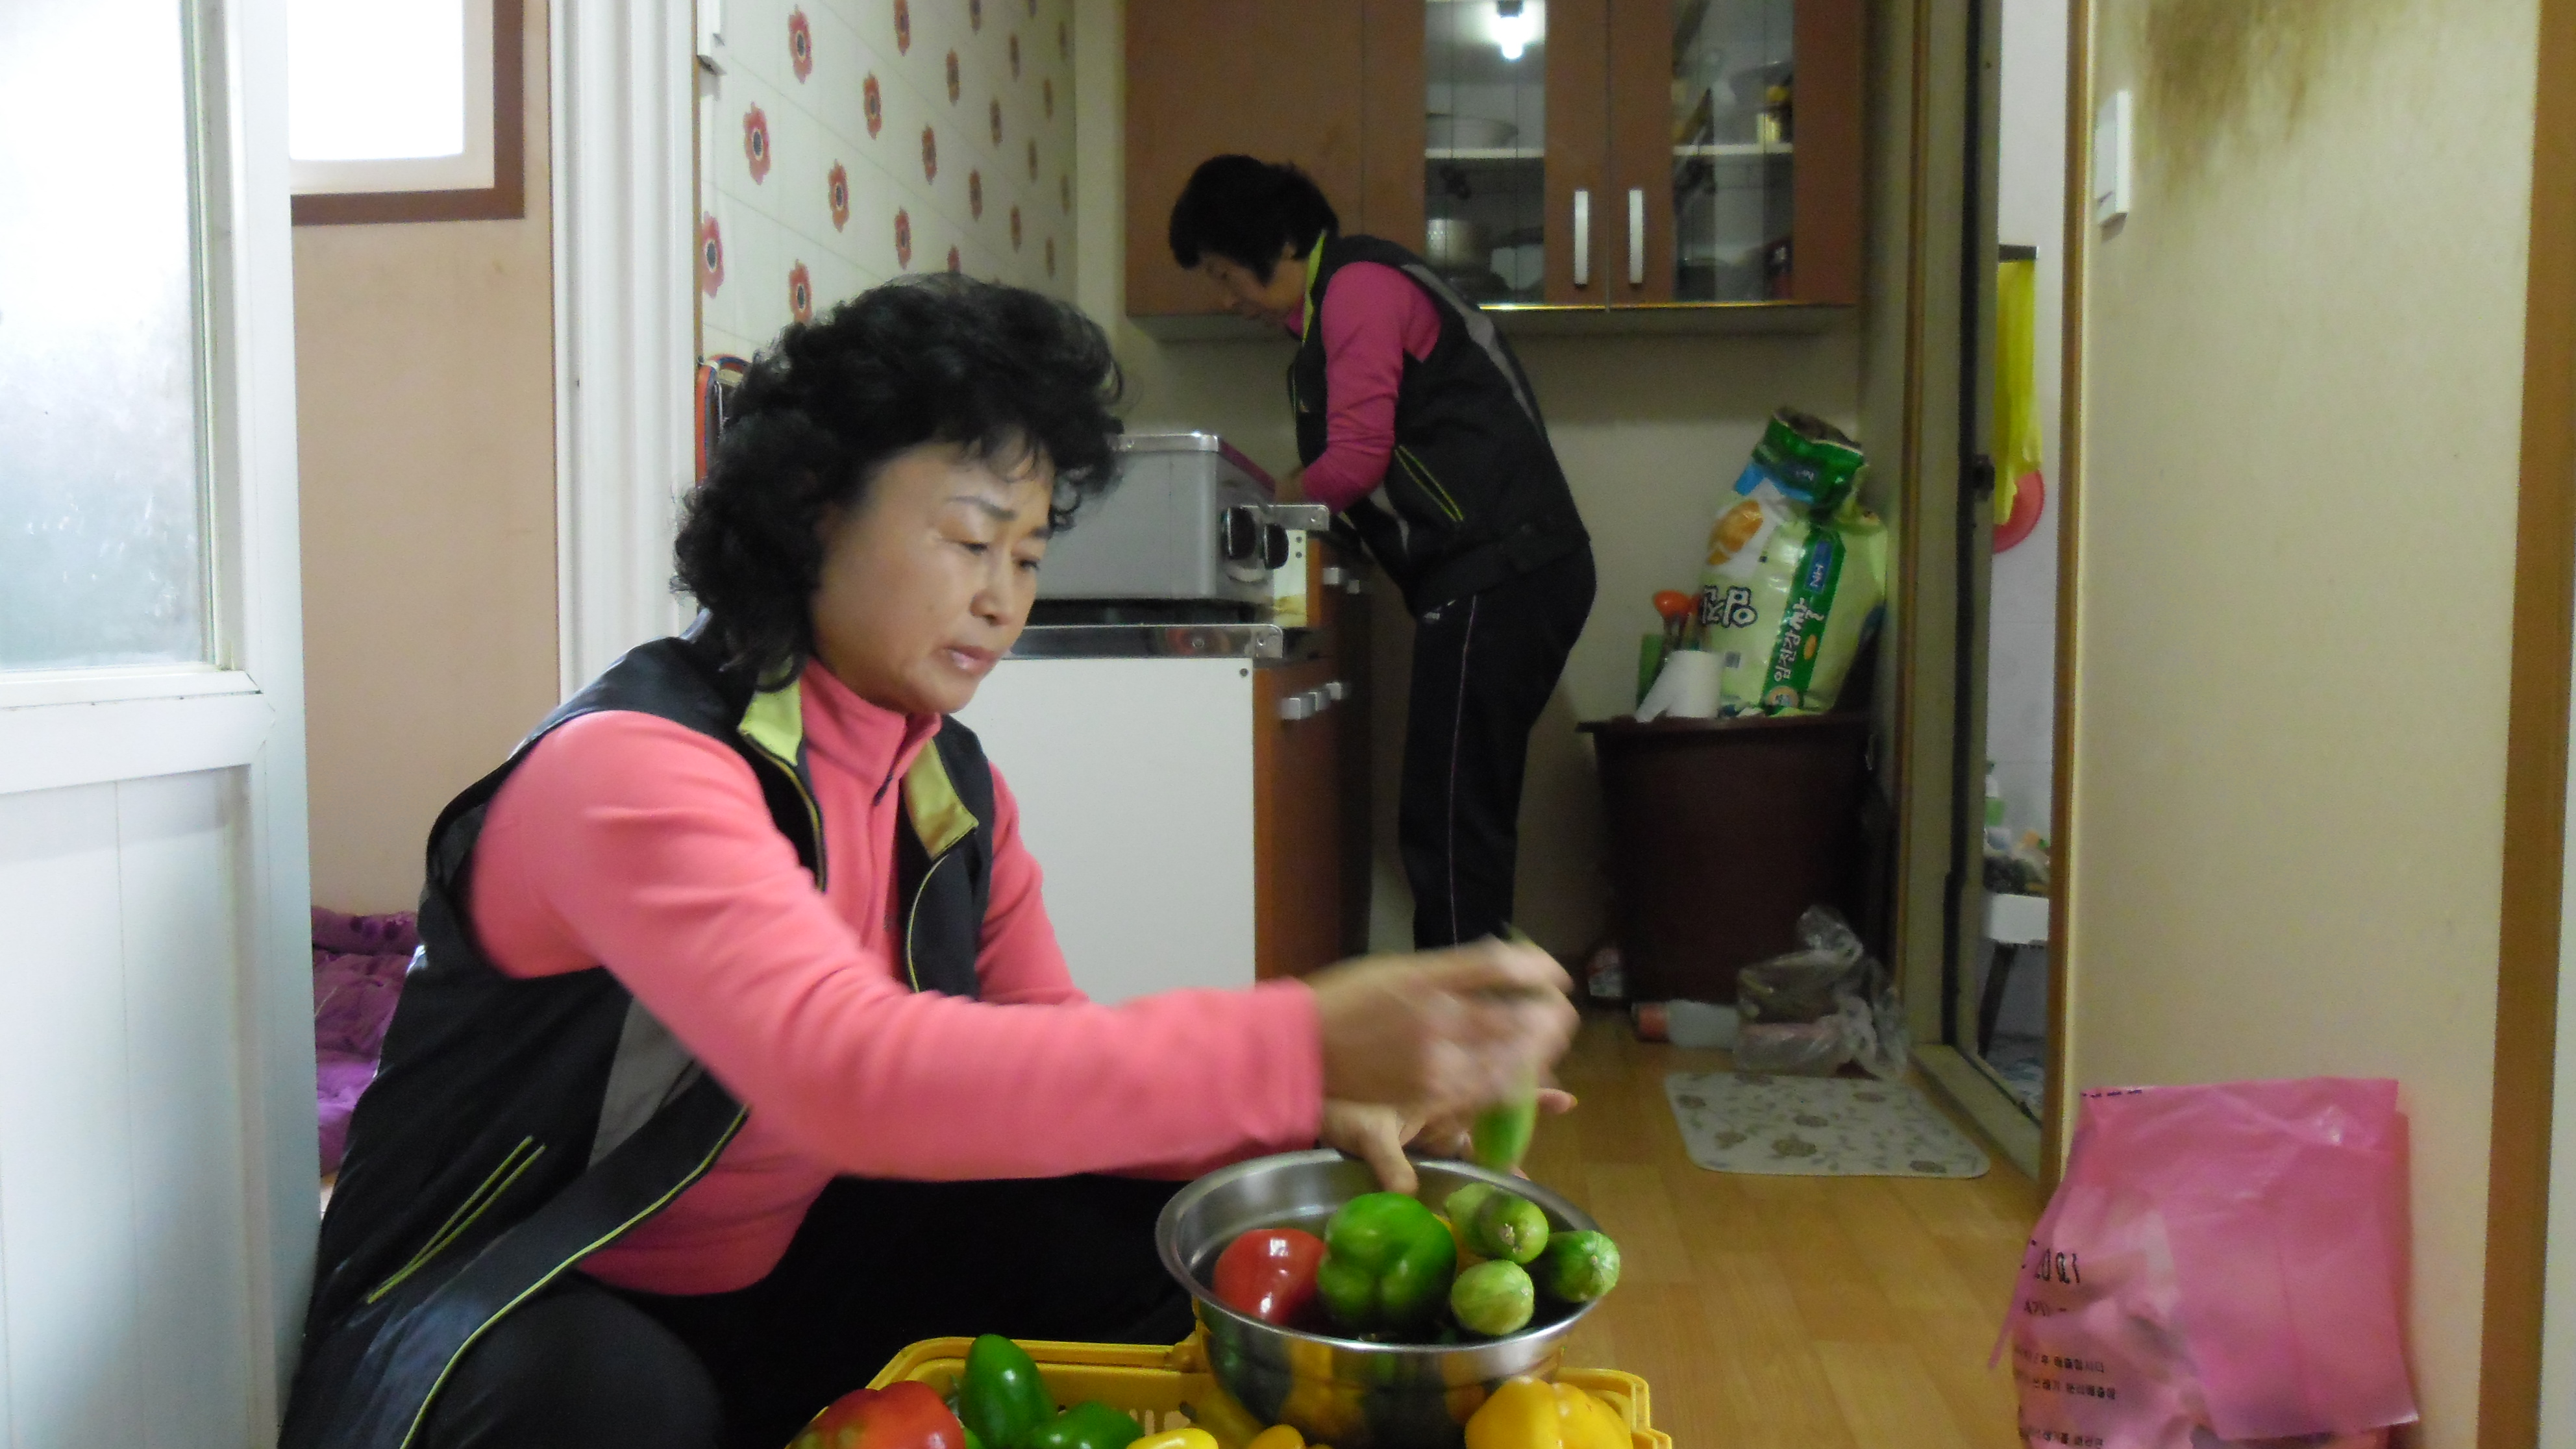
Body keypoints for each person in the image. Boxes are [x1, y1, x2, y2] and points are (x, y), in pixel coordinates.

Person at [281, 277, 1577, 1449]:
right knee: (614, 1401)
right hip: (492, 1315)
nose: (1003, 598)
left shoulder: (950, 788)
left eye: (1029, 556)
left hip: (765, 1287)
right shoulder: (635, 768)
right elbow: (848, 1074)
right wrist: (1304, 1039)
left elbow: (1048, 1067)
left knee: (1139, 1234)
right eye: (969, 541)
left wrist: (1316, 1109)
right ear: (810, 510)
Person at [1167, 156, 1596, 950]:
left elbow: (1355, 461)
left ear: (1280, 241)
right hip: (1509, 569)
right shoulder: (1342, 300)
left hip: (1502, 569)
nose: (1225, 299)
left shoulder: (1357, 289)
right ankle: (1474, 1005)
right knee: (1456, 810)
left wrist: (1270, 501)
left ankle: (1466, 1016)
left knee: (1449, 818)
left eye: (1225, 274)